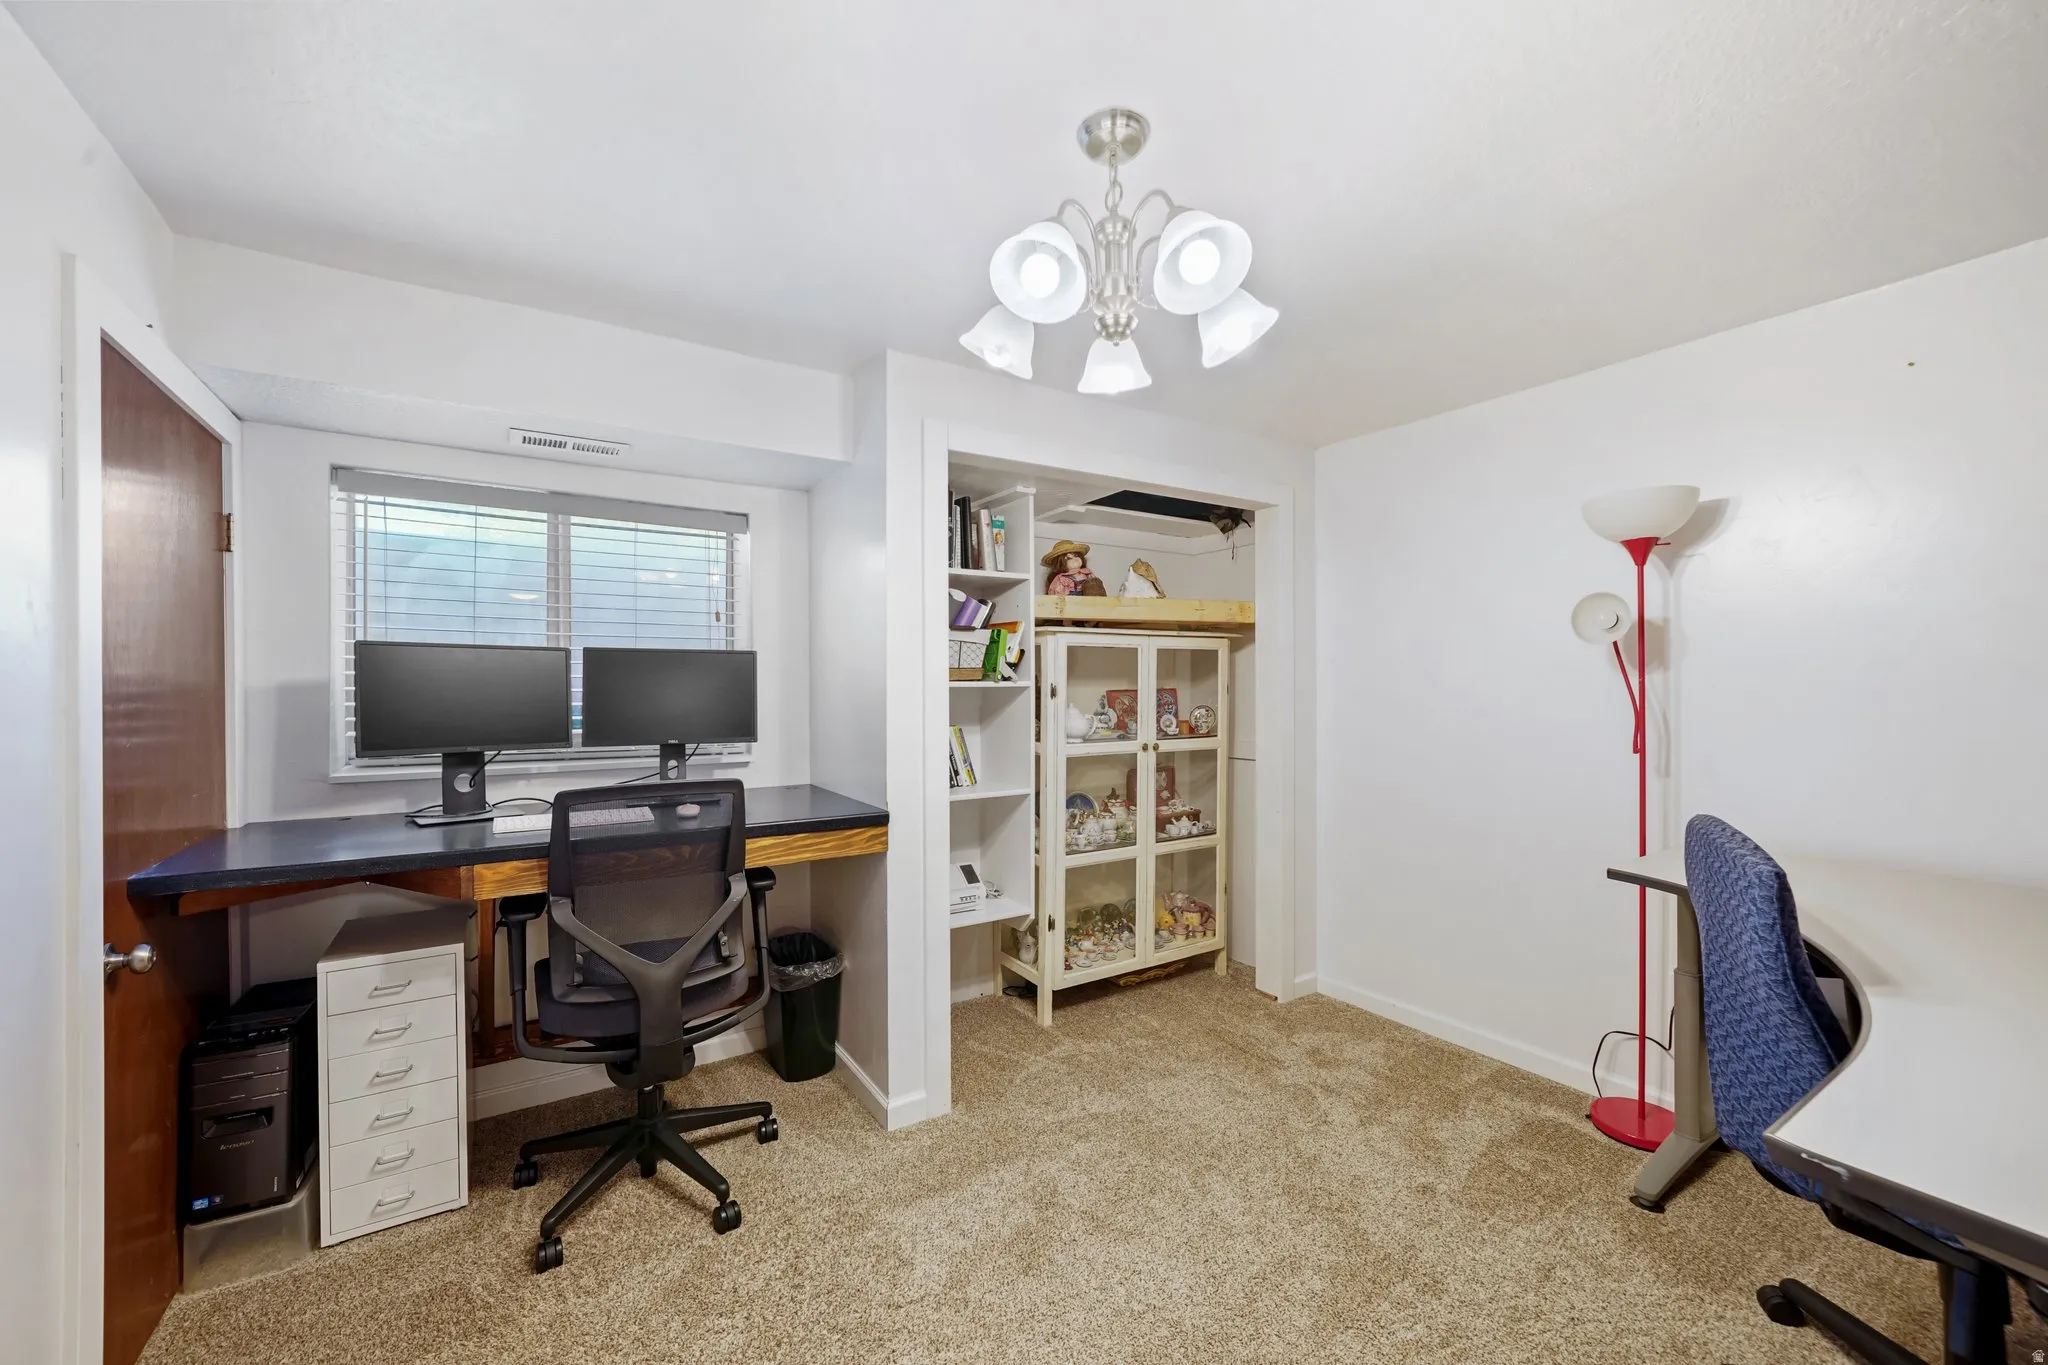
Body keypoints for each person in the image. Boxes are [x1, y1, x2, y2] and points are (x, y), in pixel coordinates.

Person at [1041, 539, 1107, 596]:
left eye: (1076, 555)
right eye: (1069, 558)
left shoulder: (1087, 573)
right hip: (1071, 602)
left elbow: (1096, 586)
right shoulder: (1061, 578)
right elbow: (1055, 593)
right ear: (1060, 563)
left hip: (1087, 600)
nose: (1075, 559)